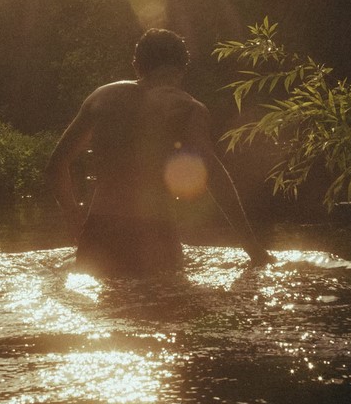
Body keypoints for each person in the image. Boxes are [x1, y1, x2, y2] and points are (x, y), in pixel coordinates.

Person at [46, 28, 271, 277]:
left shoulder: (102, 98)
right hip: (155, 236)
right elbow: (214, 176)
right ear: (184, 68)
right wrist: (253, 248)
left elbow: (56, 164)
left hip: (99, 233)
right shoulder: (188, 108)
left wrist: (73, 217)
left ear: (136, 65)